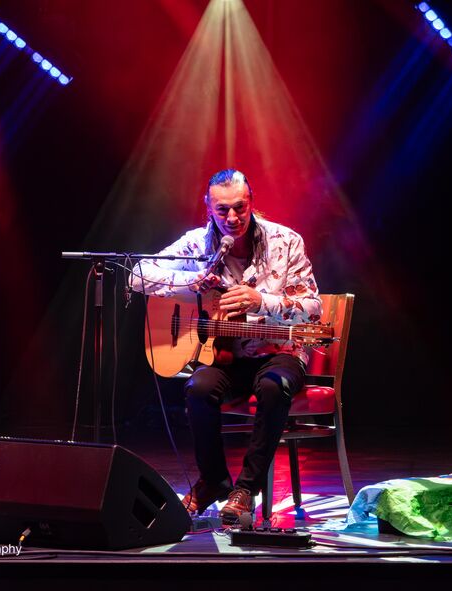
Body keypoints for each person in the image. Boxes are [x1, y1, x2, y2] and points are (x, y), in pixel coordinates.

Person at [131, 169, 321, 524]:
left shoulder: (286, 241)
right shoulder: (195, 244)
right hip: (225, 356)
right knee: (198, 388)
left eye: (240, 207)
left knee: (273, 386)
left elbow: (313, 309)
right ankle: (213, 481)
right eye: (222, 210)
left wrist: (260, 301)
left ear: (252, 202)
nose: (232, 218)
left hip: (278, 353)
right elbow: (137, 275)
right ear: (208, 207)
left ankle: (245, 490)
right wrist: (191, 280)